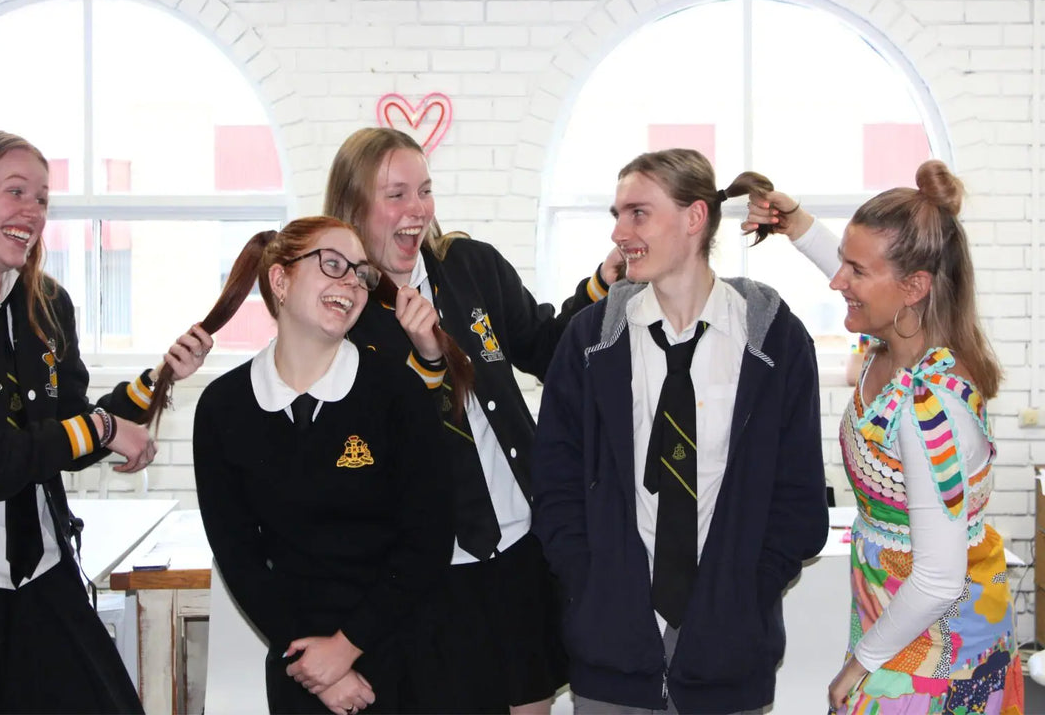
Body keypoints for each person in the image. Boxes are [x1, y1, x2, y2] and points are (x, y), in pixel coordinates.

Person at [323, 127, 624, 715]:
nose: (417, 210)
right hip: (427, 571)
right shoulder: (342, 312)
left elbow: (547, 349)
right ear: (353, 206)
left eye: (425, 190)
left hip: (520, 546)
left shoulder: (469, 265)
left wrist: (600, 286)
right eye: (396, 195)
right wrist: (423, 361)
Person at [531, 148, 830, 714]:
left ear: (695, 218)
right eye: (617, 215)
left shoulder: (775, 341)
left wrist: (743, 595)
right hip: (610, 658)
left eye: (638, 214)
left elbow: (799, 499)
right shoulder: (590, 340)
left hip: (728, 659)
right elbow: (554, 484)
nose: (619, 232)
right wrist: (592, 586)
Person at [743, 161, 1024, 713]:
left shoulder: (928, 409)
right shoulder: (897, 342)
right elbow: (868, 275)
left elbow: (938, 580)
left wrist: (859, 664)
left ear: (914, 287)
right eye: (843, 263)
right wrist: (797, 224)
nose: (837, 281)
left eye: (855, 270)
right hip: (896, 624)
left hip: (936, 650)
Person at [0, 129, 212, 714]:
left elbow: (68, 427)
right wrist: (102, 430)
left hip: (42, 572)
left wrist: (156, 382)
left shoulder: (47, 306)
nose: (32, 211)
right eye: (15, 191)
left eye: (43, 198)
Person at [192, 216, 452, 715]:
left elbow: (428, 541)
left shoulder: (397, 393)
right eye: (333, 265)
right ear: (280, 280)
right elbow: (239, 555)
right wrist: (317, 668)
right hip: (299, 662)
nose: (352, 283)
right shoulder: (224, 408)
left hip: (401, 652)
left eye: (361, 273)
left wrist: (346, 649)